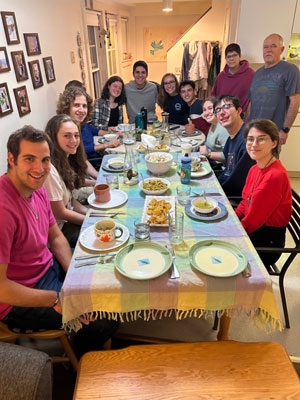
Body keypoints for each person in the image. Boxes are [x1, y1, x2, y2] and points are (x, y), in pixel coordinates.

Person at [0, 126, 118, 358]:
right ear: (11, 159)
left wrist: (74, 275)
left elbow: (55, 236)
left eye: (44, 160)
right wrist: (56, 298)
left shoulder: (37, 188)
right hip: (19, 298)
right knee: (105, 319)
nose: (39, 168)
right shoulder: (3, 209)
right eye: (29, 159)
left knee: (105, 274)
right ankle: (80, 366)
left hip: (47, 269)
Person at [235, 119, 292, 269]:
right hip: (254, 230)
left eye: (261, 139)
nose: (254, 144)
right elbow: (244, 202)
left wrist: (231, 235)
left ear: (274, 143)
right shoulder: (255, 168)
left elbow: (253, 222)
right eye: (250, 139)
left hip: (265, 243)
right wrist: (232, 220)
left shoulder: (274, 176)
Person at [44, 114, 88, 248]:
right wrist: (90, 221)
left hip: (68, 221)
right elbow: (60, 212)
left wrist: (90, 213)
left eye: (76, 135)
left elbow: (71, 199)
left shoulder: (64, 159)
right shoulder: (50, 170)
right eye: (67, 136)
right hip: (59, 231)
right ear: (54, 138)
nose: (73, 140)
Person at [248, 33, 300, 146]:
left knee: (268, 163)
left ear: (282, 49)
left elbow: (295, 101)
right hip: (253, 131)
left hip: (272, 133)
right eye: (265, 47)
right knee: (252, 163)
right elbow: (251, 103)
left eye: (273, 46)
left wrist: (285, 130)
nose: (269, 50)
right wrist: (246, 126)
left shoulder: (290, 70)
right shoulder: (257, 73)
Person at [57, 86, 120, 170]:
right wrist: (107, 144)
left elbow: (82, 159)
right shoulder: (65, 129)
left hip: (90, 167)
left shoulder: (82, 124)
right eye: (76, 105)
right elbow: (83, 153)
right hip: (93, 164)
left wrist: (111, 133)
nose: (82, 110)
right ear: (67, 107)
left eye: (84, 106)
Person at [211, 95, 255, 196]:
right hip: (225, 184)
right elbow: (228, 168)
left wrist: (210, 186)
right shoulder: (232, 136)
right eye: (217, 110)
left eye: (226, 107)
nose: (221, 112)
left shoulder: (247, 142)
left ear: (239, 111)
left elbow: (237, 184)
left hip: (232, 196)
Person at [211, 43, 254, 113]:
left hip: (241, 114)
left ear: (240, 56)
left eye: (234, 55)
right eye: (229, 56)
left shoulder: (250, 73)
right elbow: (213, 96)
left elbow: (255, 96)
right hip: (223, 114)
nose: (231, 59)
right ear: (225, 59)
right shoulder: (221, 76)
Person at [199, 96, 229, 172]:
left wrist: (209, 154)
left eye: (210, 108)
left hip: (220, 167)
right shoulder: (213, 124)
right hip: (210, 161)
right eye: (204, 110)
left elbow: (228, 156)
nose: (206, 113)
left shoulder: (223, 128)